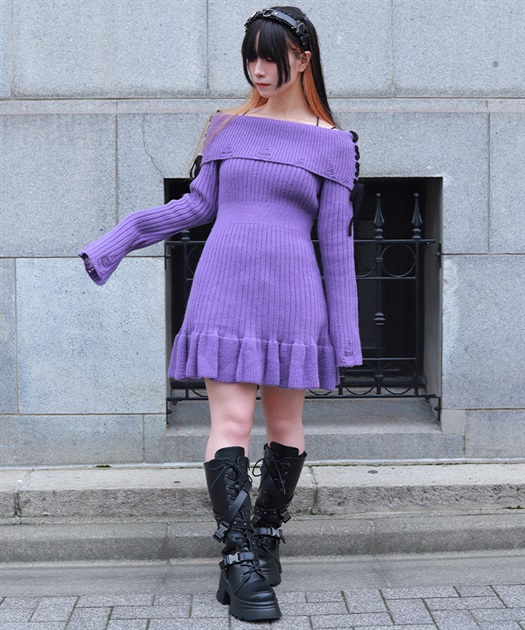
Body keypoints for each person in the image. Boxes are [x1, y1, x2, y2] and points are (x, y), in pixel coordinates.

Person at [79, 6, 362, 622]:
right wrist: (120, 237)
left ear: (302, 60)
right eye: (251, 57)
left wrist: (345, 337)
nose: (259, 69)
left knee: (284, 425)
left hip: (293, 300)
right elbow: (195, 207)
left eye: (271, 57)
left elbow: (337, 247)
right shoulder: (226, 127)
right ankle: (238, 559)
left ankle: (265, 538)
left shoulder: (334, 144)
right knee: (231, 421)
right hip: (224, 290)